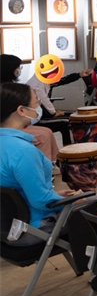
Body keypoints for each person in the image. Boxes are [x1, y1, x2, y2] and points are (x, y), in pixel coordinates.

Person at [0, 83, 82, 246]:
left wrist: (56, 195)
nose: (38, 106)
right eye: (36, 102)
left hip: (6, 227)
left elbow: (17, 191)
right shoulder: (23, 151)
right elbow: (41, 202)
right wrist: (74, 201)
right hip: (31, 229)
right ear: (21, 110)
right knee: (95, 206)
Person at [0, 55, 59, 161]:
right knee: (43, 135)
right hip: (8, 128)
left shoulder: (10, 86)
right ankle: (42, 164)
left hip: (15, 124)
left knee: (47, 132)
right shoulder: (6, 90)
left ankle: (52, 162)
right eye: (18, 67)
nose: (19, 70)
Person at [27, 68, 92, 145]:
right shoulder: (37, 86)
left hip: (45, 113)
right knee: (67, 122)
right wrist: (54, 112)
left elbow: (62, 80)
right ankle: (70, 149)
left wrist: (79, 75)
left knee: (75, 117)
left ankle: (79, 145)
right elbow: (45, 103)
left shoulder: (44, 78)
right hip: (37, 120)